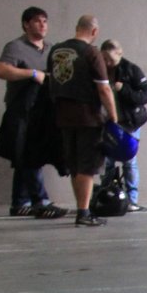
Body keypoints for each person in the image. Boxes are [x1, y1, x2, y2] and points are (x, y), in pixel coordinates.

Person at [46, 15, 120, 227]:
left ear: (77, 28)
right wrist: (113, 116)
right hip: (88, 118)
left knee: (75, 165)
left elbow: (51, 81)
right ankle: (84, 212)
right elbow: (104, 89)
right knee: (87, 167)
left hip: (63, 117)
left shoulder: (56, 51)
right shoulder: (91, 52)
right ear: (94, 31)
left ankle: (82, 207)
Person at [0, 6, 65, 219]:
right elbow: (1, 70)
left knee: (26, 156)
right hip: (22, 111)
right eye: (37, 21)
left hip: (44, 112)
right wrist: (32, 73)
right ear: (26, 24)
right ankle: (41, 201)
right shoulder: (16, 47)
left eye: (45, 21)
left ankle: (20, 202)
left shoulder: (52, 49)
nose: (42, 25)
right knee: (28, 154)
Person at [101, 38, 147, 212]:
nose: (108, 63)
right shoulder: (99, 70)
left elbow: (145, 96)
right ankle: (105, 196)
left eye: (111, 59)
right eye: (104, 59)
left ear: (120, 54)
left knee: (129, 161)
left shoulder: (132, 70)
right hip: (107, 122)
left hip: (129, 123)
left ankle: (132, 200)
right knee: (107, 161)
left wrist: (124, 90)